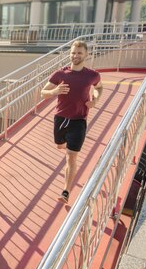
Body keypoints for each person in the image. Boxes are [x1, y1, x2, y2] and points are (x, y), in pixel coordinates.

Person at [40, 40, 103, 202]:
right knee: (60, 144)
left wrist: (95, 100)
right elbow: (43, 92)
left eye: (79, 53)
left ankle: (66, 192)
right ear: (70, 54)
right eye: (73, 52)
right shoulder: (60, 74)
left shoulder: (92, 75)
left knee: (71, 156)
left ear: (86, 54)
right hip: (60, 118)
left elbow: (99, 87)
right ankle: (63, 143)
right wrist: (55, 91)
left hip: (79, 121)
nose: (75, 55)